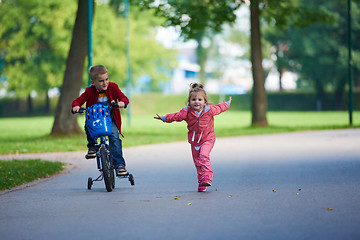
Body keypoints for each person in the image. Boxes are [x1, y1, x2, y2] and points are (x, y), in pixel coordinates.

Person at [154, 83, 231, 192]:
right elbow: (175, 117)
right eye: (194, 99)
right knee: (198, 163)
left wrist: (227, 103)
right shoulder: (186, 112)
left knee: (204, 156)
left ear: (205, 101)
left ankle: (207, 177)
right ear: (189, 102)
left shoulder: (209, 110)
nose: (197, 102)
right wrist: (164, 118)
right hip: (194, 142)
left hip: (208, 139)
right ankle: (201, 182)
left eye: (200, 99)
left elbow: (220, 108)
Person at [72, 65, 129, 176]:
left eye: (106, 79)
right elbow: (78, 101)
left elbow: (124, 98)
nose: (105, 83)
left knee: (114, 139)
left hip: (110, 119)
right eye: (101, 81)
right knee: (88, 128)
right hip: (95, 119)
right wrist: (76, 106)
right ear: (93, 82)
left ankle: (119, 165)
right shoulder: (89, 91)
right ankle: (92, 146)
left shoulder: (113, 87)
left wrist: (122, 103)